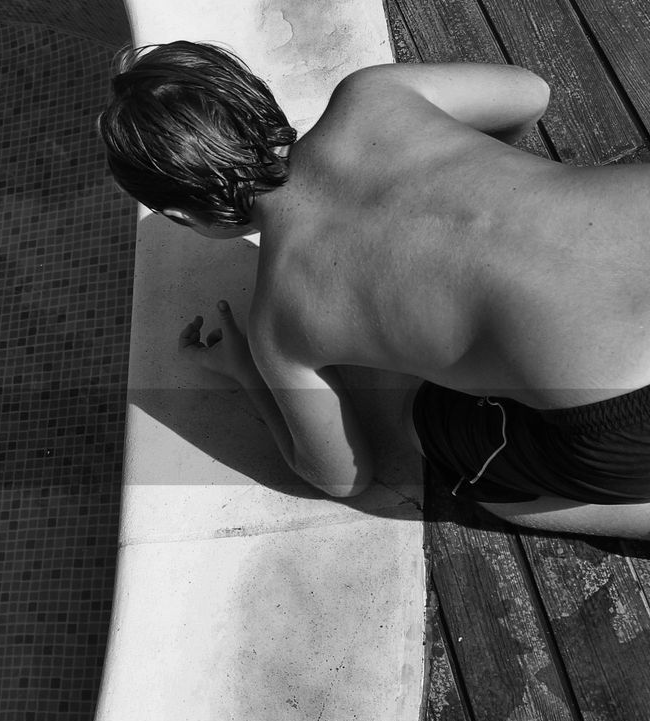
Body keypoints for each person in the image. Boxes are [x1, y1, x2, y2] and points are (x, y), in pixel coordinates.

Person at [98, 41, 650, 538]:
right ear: (258, 99)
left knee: (437, 435)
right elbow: (531, 91)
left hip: (629, 414)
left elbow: (342, 478)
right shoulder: (374, 92)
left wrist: (246, 371)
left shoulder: (279, 323)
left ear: (179, 214)